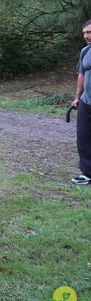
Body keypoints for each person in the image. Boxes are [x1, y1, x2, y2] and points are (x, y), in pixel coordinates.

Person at [71, 19, 91, 185]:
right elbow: (81, 76)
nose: (87, 35)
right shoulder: (85, 51)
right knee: (84, 138)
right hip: (87, 102)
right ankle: (87, 173)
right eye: (85, 32)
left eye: (89, 32)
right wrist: (77, 98)